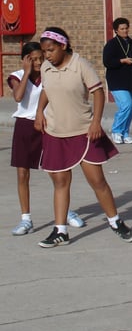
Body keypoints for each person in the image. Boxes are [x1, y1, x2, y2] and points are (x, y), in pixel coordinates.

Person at [34, 27, 132, 248]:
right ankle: (60, 231)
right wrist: (39, 112)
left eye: (50, 50)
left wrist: (96, 122)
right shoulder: (45, 68)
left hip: (83, 131)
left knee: (97, 181)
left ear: (63, 46)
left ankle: (115, 222)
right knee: (60, 182)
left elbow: (98, 92)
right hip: (55, 132)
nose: (47, 55)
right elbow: (46, 91)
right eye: (44, 52)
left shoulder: (81, 65)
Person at [8, 41, 85, 235]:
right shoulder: (16, 76)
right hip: (25, 126)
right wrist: (26, 72)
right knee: (23, 173)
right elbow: (18, 97)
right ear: (25, 60)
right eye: (32, 59)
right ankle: (26, 219)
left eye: (40, 58)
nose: (37, 62)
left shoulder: (50, 74)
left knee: (57, 172)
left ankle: (66, 212)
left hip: (48, 124)